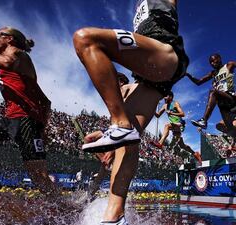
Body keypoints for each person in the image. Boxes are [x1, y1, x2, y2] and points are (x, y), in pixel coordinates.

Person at [73, 0, 188, 222]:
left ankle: (120, 123)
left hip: (165, 53)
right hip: (148, 77)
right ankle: (114, 218)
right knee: (128, 140)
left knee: (86, 39)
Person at [0, 27, 58, 195]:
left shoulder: (20, 56)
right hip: (12, 121)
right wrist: (42, 128)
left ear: (9, 39)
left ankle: (66, 210)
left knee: (39, 176)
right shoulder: (17, 66)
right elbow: (45, 102)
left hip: (25, 121)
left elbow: (7, 62)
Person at [186, 39, 236, 152]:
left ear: (220, 59)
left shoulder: (229, 65)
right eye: (211, 62)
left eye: (215, 60)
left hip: (230, 97)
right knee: (229, 130)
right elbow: (198, 82)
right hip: (222, 105)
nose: (213, 63)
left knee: (213, 91)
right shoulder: (213, 73)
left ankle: (204, 120)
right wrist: (187, 74)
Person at [151, 91, 202, 163]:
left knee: (167, 126)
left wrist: (172, 113)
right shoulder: (165, 106)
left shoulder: (175, 103)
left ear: (170, 97)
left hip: (180, 124)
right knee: (182, 145)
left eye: (166, 96)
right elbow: (158, 115)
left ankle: (160, 143)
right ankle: (195, 153)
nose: (164, 98)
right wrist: (151, 108)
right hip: (174, 127)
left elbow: (183, 114)